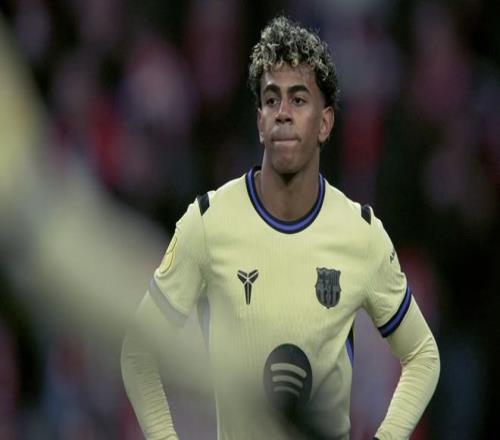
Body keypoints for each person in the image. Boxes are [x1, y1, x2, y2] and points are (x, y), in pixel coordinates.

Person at [121, 16, 440, 440]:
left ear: (325, 123)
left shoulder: (361, 234)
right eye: (272, 99)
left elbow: (423, 355)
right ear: (259, 120)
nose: (284, 114)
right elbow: (139, 350)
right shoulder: (208, 223)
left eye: (299, 100)